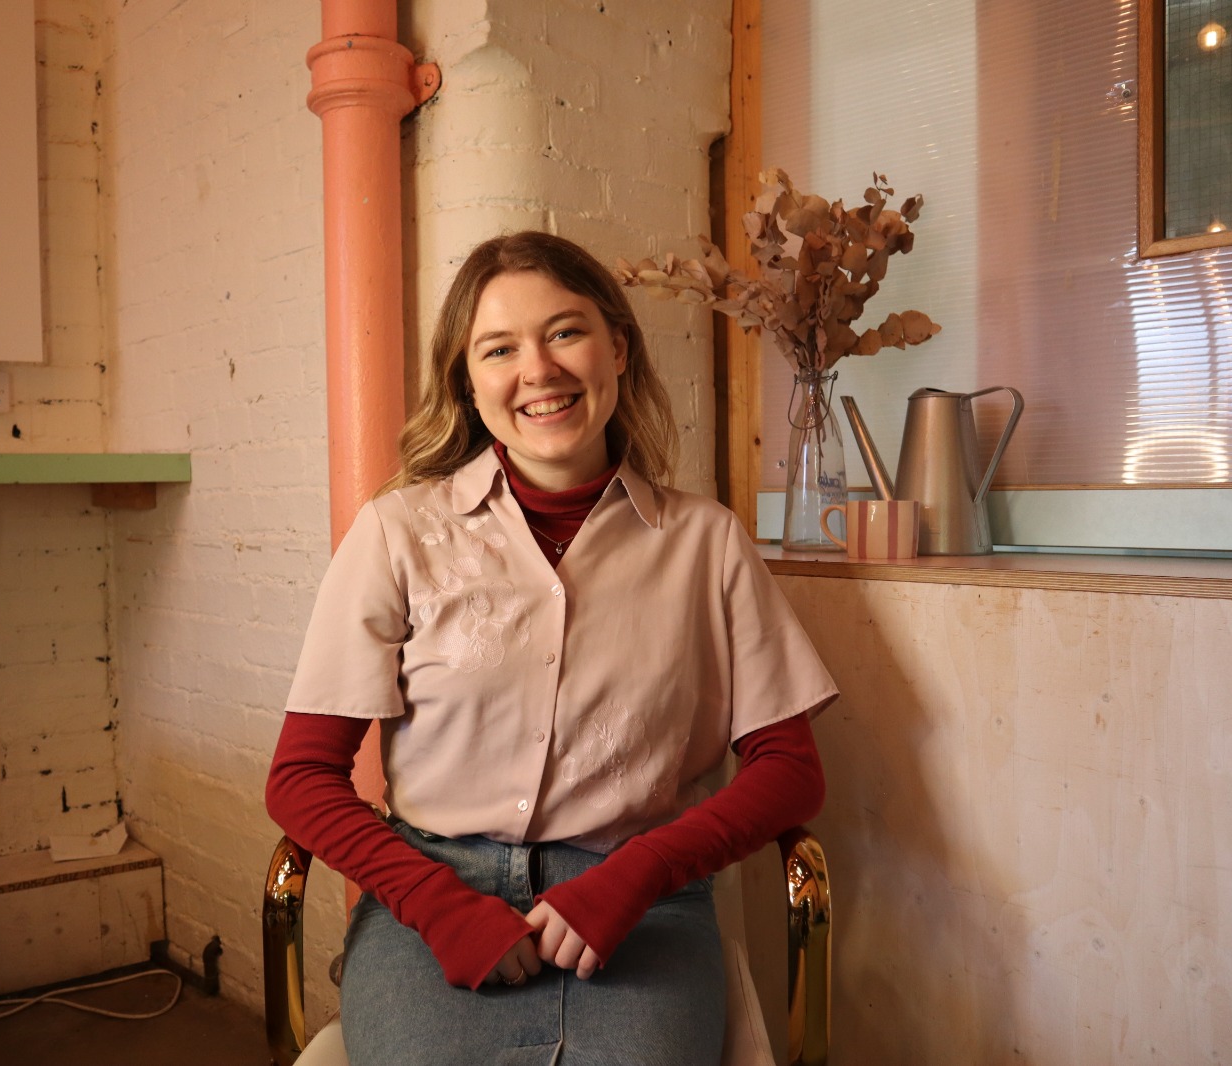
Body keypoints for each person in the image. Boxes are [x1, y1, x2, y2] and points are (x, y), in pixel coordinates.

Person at [265, 231, 836, 1066]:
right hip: (433, 905)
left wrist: (637, 876)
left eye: (565, 332)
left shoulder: (706, 544)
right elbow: (300, 778)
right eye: (500, 348)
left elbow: (791, 769)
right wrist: (437, 904)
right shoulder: (398, 535)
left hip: (645, 911)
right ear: (468, 380)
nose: (538, 369)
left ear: (618, 348)